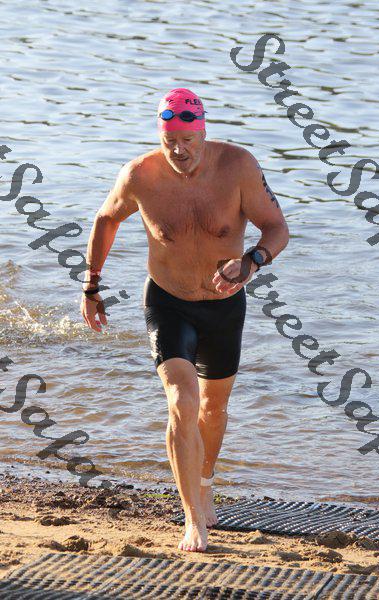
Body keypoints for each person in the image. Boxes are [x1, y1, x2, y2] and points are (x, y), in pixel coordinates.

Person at [80, 88, 289, 553]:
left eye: (187, 140)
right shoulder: (140, 175)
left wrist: (251, 261)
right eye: (169, 139)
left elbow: (278, 228)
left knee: (213, 410)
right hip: (168, 302)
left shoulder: (238, 167)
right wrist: (91, 285)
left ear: (203, 132)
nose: (178, 150)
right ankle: (193, 517)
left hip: (224, 306)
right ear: (160, 135)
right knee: (181, 399)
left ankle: (205, 480)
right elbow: (106, 218)